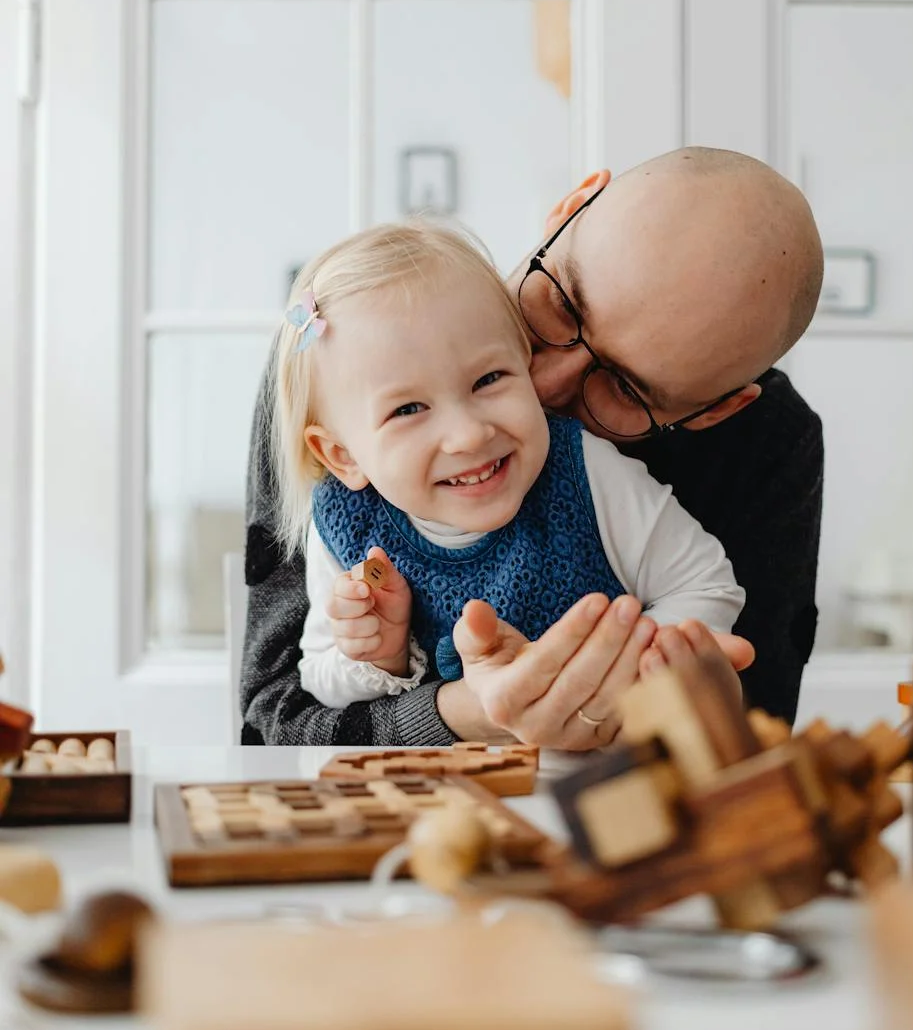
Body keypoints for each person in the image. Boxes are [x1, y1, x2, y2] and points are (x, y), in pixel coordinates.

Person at [241, 146, 824, 747]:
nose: (541, 385)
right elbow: (272, 725)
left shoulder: (764, 449)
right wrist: (460, 706)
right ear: (569, 209)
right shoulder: (342, 366)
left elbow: (757, 731)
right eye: (561, 303)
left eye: (624, 388)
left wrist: (657, 692)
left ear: (717, 411)